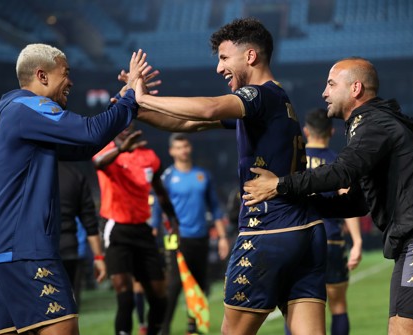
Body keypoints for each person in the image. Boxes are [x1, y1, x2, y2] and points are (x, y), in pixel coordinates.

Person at [242, 57, 413, 335]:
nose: (324, 93)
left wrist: (280, 185)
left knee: (403, 332)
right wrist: (302, 205)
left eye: (331, 84)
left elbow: (341, 172)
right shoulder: (369, 124)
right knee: (400, 330)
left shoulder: (373, 123)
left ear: (355, 88)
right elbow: (358, 201)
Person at [132, 18, 327, 335]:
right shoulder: (276, 99)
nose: (218, 68)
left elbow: (208, 109)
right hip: (306, 231)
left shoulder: (259, 95)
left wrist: (141, 97)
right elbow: (189, 124)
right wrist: (135, 108)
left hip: (267, 231)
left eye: (224, 58)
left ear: (250, 56)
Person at [0, 43, 146, 335]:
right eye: (65, 73)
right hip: (26, 249)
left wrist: (121, 100)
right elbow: (90, 131)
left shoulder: (14, 115)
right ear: (42, 76)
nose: (71, 81)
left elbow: (84, 146)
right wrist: (131, 95)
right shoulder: (29, 108)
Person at [93, 122, 180, 335]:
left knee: (160, 298)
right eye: (121, 124)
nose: (126, 128)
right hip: (116, 228)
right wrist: (121, 149)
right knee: (125, 298)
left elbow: (160, 192)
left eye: (129, 124)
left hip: (143, 229)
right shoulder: (107, 151)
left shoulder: (149, 156)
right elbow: (98, 164)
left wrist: (173, 220)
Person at [285, 108, 362, 335]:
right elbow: (349, 201)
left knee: (293, 305)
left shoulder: (292, 159)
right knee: (338, 305)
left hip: (296, 240)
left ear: (306, 131)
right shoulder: (338, 161)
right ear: (331, 130)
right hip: (331, 240)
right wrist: (357, 241)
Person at [161, 133, 229, 335]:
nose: (183, 150)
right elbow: (159, 211)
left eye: (186, 146)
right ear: (172, 151)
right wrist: (159, 233)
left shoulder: (203, 175)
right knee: (174, 285)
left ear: (190, 148)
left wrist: (223, 237)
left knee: (200, 284)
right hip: (178, 239)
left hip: (201, 237)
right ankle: (163, 328)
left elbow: (215, 208)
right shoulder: (166, 178)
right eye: (179, 147)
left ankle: (194, 326)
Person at [58, 160, 107, 309]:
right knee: (68, 306)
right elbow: (89, 220)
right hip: (69, 248)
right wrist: (98, 257)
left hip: (36, 252)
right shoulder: (74, 173)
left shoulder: (27, 170)